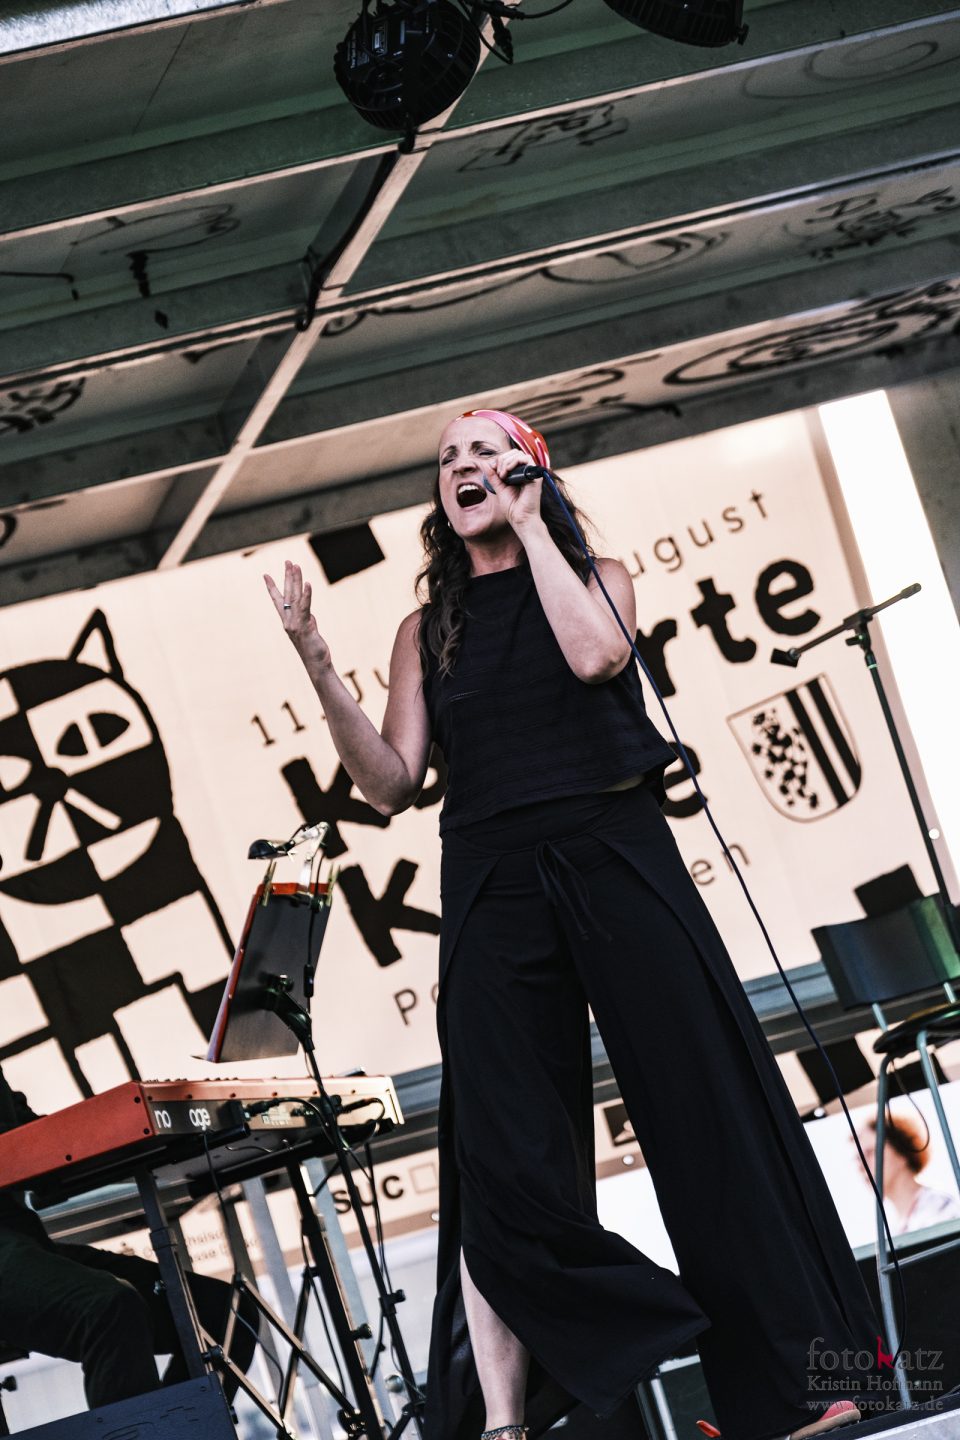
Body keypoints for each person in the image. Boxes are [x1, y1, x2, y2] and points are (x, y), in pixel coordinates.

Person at [265, 408, 889, 1440]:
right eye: (448, 459)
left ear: (530, 469)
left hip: (612, 845)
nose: (462, 466)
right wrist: (317, 663)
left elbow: (598, 658)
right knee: (500, 1156)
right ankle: (517, 1414)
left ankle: (801, 1386)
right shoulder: (425, 630)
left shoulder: (600, 575)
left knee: (707, 1110)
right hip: (490, 872)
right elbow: (389, 784)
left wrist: (532, 525)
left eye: (485, 451)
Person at [0, 1065, 257, 1413]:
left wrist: (123, 1119)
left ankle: (176, 1432)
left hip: (23, 1239)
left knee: (226, 1312)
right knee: (108, 1307)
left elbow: (30, 1137)